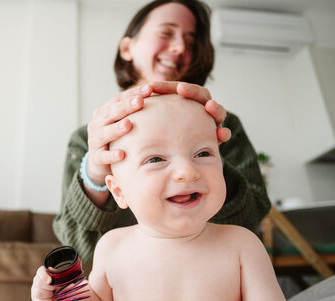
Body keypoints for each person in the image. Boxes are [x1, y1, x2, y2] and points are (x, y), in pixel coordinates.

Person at [33, 94, 304, 301]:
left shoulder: (241, 245)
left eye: (203, 153)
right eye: (155, 159)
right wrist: (63, 297)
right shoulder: (113, 246)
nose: (187, 170)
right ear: (119, 192)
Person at [53, 0, 271, 265]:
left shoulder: (224, 125)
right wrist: (95, 174)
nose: (180, 48)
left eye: (190, 43)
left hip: (217, 284)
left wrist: (206, 156)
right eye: (166, 33)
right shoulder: (85, 140)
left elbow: (251, 218)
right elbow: (80, 249)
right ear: (127, 47)